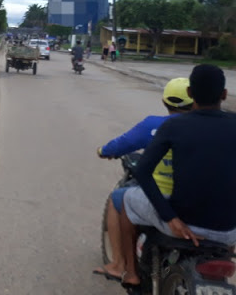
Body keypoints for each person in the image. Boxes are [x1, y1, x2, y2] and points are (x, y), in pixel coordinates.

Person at [119, 64, 236, 290]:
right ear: (223, 94)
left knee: (125, 202)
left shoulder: (175, 124)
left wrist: (170, 217)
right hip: (228, 229)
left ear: (191, 93)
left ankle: (131, 273)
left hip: (183, 222)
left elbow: (143, 170)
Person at [92, 78, 193, 283]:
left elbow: (122, 143)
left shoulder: (154, 125)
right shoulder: (208, 127)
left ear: (165, 102)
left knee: (118, 199)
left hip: (162, 200)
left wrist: (104, 151)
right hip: (200, 202)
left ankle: (121, 265)